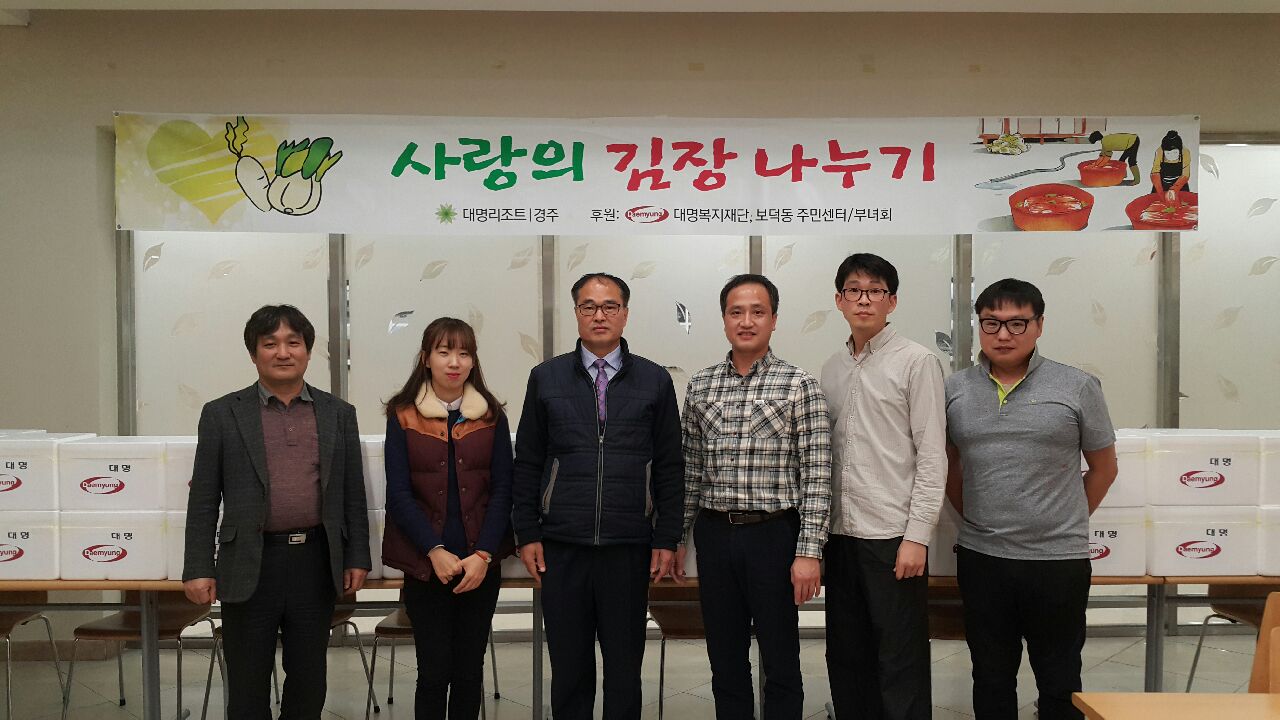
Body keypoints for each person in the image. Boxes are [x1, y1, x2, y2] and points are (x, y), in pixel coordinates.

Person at [183, 304, 370, 720]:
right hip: (249, 562)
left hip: (315, 562)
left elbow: (352, 493)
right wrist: (198, 566)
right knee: (247, 688)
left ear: (308, 351)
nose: (283, 352)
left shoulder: (338, 413)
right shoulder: (222, 414)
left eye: (293, 343)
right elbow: (204, 499)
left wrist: (357, 556)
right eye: (270, 344)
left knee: (309, 683)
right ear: (254, 354)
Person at [511, 272, 684, 720]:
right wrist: (527, 532)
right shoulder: (546, 378)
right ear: (576, 313)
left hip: (628, 547)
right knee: (569, 669)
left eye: (610, 306)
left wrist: (666, 537)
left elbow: (670, 465)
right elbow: (527, 460)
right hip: (561, 545)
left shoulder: (654, 380)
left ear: (625, 314)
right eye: (588, 306)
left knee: (624, 670)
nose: (599, 315)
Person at [944, 279, 1118, 720]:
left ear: (1039, 325)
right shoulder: (955, 389)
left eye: (1017, 323)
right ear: (979, 326)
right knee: (991, 676)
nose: (1003, 334)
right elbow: (948, 467)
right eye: (991, 323)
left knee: (1059, 679)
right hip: (983, 558)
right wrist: (979, 518)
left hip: (1057, 561)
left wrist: (1062, 519)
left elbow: (1104, 468)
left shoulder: (1077, 386)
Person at [675, 273, 831, 720]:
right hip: (715, 534)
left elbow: (818, 473)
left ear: (774, 319)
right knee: (725, 658)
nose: (746, 321)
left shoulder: (799, 384)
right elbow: (690, 468)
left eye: (757, 312)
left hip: (774, 536)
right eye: (736, 312)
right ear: (724, 319)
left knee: (780, 659)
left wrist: (809, 552)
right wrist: (676, 536)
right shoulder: (701, 385)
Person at [819, 254, 945, 720]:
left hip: (893, 537)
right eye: (854, 290)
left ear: (892, 301)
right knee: (847, 655)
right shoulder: (831, 368)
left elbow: (932, 455)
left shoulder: (917, 362)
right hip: (841, 536)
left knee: (899, 659)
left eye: (875, 291)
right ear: (839, 300)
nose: (864, 299)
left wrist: (917, 537)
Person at [380, 317, 513, 720]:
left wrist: (484, 554)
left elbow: (503, 492)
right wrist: (434, 550)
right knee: (434, 672)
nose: (454, 362)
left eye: (464, 353)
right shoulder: (403, 415)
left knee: (469, 672)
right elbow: (399, 495)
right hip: (426, 566)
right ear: (426, 359)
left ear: (473, 361)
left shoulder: (491, 415)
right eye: (444, 352)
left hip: (479, 565)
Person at [1149, 129, 1193, 198]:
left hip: (1180, 183)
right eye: (1168, 153)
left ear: (1180, 150)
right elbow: (1155, 172)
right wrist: (1160, 192)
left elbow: (1185, 174)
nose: (1171, 156)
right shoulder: (1159, 151)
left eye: (1175, 152)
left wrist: (1174, 189)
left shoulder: (1185, 152)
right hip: (1161, 183)